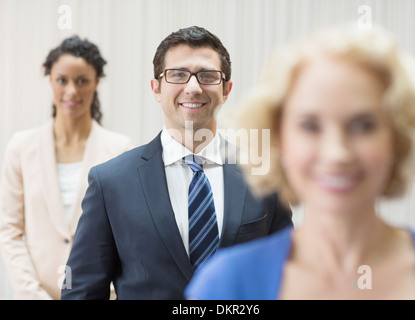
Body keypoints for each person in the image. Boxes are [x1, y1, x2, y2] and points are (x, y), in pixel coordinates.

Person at [185, 24, 415, 300]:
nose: (337, 153)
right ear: (279, 139)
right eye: (310, 126)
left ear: (398, 138)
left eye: (363, 126)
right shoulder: (227, 284)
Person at [60, 26, 292, 300]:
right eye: (178, 75)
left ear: (226, 90)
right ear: (156, 88)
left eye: (207, 76)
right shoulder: (110, 182)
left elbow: (289, 277)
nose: (193, 87)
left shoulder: (262, 171)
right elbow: (81, 292)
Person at [0, 36, 132, 300]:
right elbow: (10, 230)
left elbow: (125, 234)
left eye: (82, 80)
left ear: (96, 82)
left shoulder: (120, 149)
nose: (72, 91)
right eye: (62, 80)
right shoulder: (21, 147)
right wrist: (32, 293)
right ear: (51, 80)